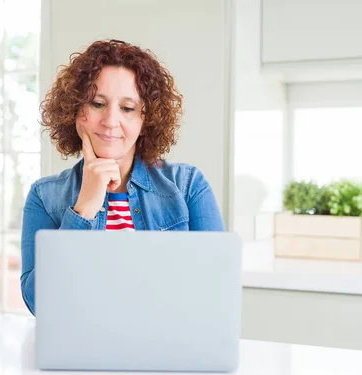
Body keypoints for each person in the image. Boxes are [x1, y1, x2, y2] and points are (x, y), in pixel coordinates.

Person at [20, 39, 225, 315]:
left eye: (127, 108)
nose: (110, 121)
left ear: (145, 121)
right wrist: (85, 208)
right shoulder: (44, 197)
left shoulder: (188, 186)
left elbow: (217, 291)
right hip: (81, 353)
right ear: (77, 112)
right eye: (97, 103)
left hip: (166, 351)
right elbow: (39, 304)